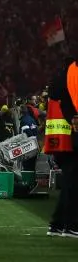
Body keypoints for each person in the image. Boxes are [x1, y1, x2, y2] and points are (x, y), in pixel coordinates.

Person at [45, 41, 78, 238]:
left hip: (58, 141)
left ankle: (58, 224)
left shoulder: (58, 80)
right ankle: (72, 225)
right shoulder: (70, 80)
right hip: (71, 139)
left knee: (69, 182)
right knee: (73, 183)